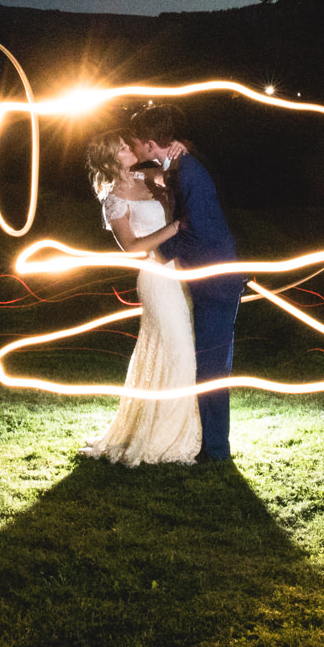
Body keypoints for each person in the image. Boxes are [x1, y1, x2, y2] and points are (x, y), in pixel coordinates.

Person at [77, 128, 202, 466]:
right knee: (180, 351)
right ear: (110, 158)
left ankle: (177, 429)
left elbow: (177, 169)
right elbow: (131, 247)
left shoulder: (147, 176)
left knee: (177, 348)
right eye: (121, 147)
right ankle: (166, 439)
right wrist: (175, 228)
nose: (129, 148)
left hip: (180, 272)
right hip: (156, 277)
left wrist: (179, 149)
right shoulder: (113, 199)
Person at [127, 103, 242, 463]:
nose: (133, 148)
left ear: (149, 143)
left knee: (210, 369)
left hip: (216, 281)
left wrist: (163, 247)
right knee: (209, 363)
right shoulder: (178, 167)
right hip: (209, 280)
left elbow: (200, 233)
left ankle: (216, 451)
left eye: (135, 142)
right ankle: (208, 443)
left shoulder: (188, 171)